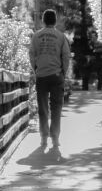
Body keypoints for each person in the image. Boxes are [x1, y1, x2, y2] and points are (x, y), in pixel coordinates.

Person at [30, 8, 73, 149]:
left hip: (41, 76)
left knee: (43, 109)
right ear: (55, 20)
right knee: (56, 108)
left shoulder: (36, 36)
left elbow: (32, 55)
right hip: (56, 76)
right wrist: (63, 72)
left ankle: (43, 138)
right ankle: (55, 138)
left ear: (43, 20)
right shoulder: (61, 37)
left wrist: (36, 69)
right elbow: (66, 56)